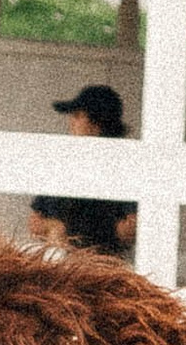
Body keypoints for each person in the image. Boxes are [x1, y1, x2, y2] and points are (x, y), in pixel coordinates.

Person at [34, 77, 136, 255]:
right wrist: (53, 227)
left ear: (97, 124)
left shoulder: (123, 167)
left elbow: (130, 230)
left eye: (78, 116)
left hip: (106, 267)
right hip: (61, 263)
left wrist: (88, 233)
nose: (71, 122)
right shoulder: (63, 166)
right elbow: (35, 222)